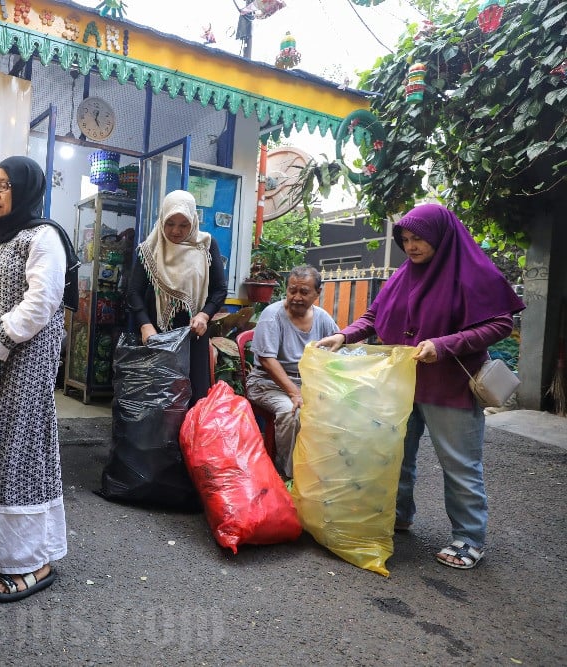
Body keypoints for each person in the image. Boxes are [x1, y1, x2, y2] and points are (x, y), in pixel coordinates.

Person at [316, 204, 525, 570]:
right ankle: (398, 515)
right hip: (403, 384)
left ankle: (469, 538)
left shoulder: (473, 273)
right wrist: (342, 336)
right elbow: (373, 315)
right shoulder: (403, 275)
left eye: (419, 239)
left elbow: (499, 325)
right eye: (406, 240)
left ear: (441, 236)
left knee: (459, 464)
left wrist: (442, 345)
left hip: (452, 385)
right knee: (395, 455)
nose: (411, 247)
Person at [0, 155, 79, 603]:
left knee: (17, 450)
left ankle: (31, 560)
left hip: (23, 360)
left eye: (4, 185)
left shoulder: (44, 236)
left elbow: (42, 301)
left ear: (25, 190)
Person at [126, 189, 228, 404]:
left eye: (184, 225)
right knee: (158, 398)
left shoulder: (206, 246)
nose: (175, 231)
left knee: (194, 394)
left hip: (194, 335)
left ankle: (189, 438)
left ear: (194, 222)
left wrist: (204, 315)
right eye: (170, 223)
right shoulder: (149, 249)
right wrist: (145, 325)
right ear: (162, 219)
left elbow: (219, 289)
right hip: (156, 335)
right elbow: (133, 292)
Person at [246, 265, 338, 478]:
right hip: (266, 383)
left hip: (305, 384)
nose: (296, 297)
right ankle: (289, 475)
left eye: (304, 292)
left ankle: (324, 472)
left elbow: (337, 349)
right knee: (292, 412)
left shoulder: (322, 318)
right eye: (292, 291)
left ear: (317, 293)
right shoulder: (273, 315)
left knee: (340, 409)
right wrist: (294, 393)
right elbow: (267, 361)